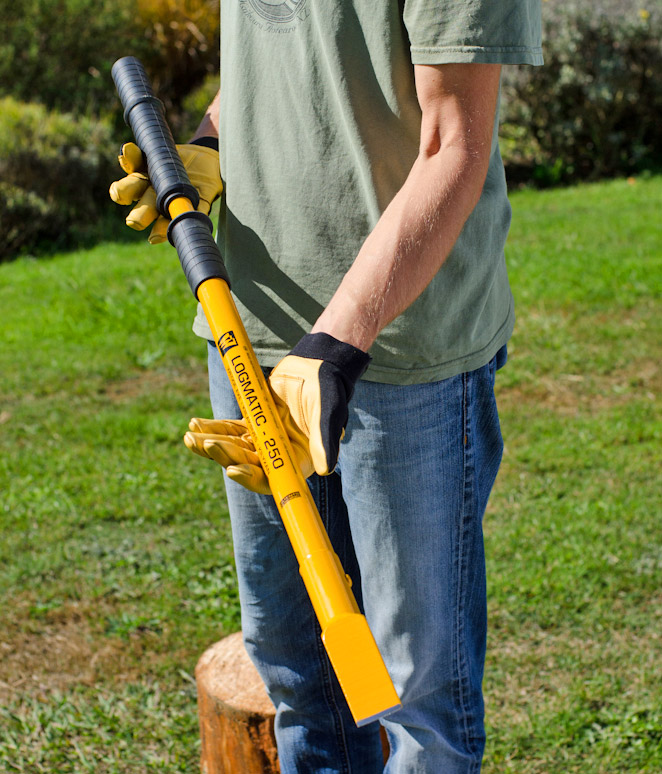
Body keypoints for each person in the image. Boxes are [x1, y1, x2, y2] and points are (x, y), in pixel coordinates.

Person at [111, 2, 542, 771]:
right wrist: (207, 144)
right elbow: (274, 68)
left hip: (403, 352)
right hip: (250, 324)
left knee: (417, 703)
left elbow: (453, 145)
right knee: (297, 670)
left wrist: (337, 343)